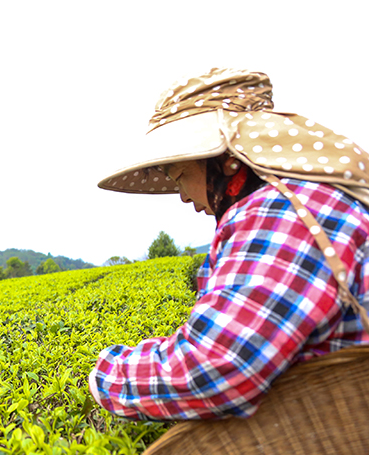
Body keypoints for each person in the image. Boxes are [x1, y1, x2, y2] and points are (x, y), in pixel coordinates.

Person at [89, 67, 369, 421]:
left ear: (227, 161)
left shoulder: (281, 212)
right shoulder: (304, 198)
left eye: (180, 176)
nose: (183, 197)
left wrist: (106, 376)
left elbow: (217, 368)